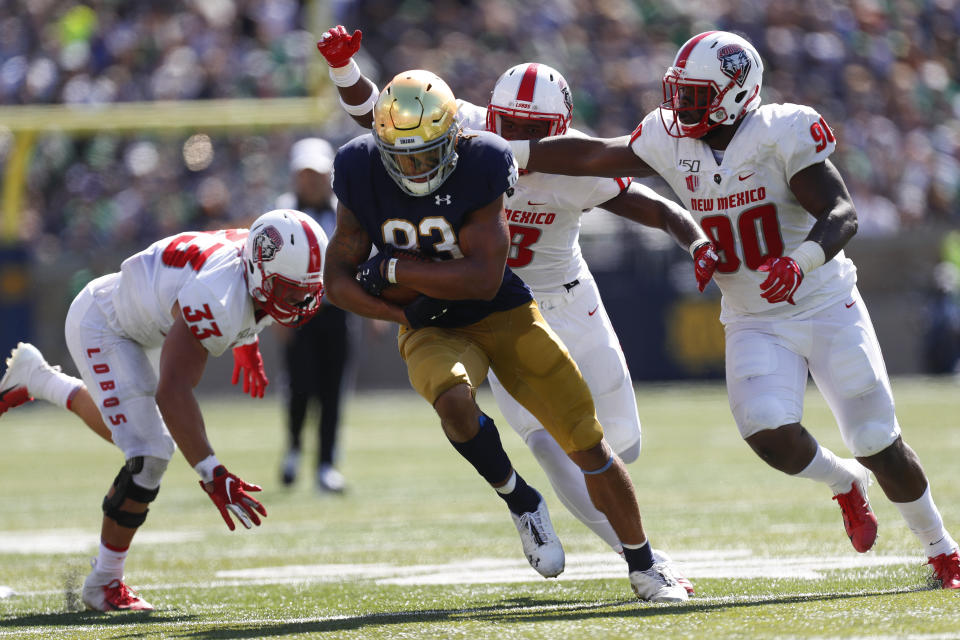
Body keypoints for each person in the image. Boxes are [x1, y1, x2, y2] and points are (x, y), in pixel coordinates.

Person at [508, 30, 960, 589]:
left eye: (695, 95)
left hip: (824, 302)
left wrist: (800, 261)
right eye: (678, 92)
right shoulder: (670, 138)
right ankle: (843, 482)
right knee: (766, 432)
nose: (679, 106)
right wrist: (511, 150)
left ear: (736, 91)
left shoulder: (781, 131)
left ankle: (942, 548)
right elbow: (594, 154)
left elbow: (842, 212)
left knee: (875, 439)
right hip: (752, 313)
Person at [317, 25, 716, 593]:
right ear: (488, 116)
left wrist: (695, 238)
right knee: (554, 447)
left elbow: (646, 197)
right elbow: (389, 115)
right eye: (512, 128)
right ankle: (639, 558)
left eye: (535, 133)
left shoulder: (555, 160)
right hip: (470, 306)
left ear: (559, 129)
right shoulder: (464, 134)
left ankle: (627, 537)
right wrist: (343, 71)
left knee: (621, 440)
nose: (519, 138)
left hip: (558, 297)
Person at [0, 209, 329, 610]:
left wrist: (247, 344)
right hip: (107, 325)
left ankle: (36, 378)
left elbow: (235, 284)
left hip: (144, 323)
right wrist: (212, 472)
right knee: (150, 453)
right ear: (261, 271)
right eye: (292, 290)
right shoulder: (219, 297)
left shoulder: (254, 257)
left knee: (128, 432)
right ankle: (103, 582)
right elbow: (173, 392)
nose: (303, 300)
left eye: (308, 289)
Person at [275, 138, 355, 492]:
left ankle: (325, 463)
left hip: (335, 311)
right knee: (299, 387)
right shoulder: (280, 214)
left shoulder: (345, 210)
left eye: (318, 174)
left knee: (332, 392)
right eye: (306, 174)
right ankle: (293, 449)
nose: (312, 181)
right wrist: (277, 315)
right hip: (296, 315)